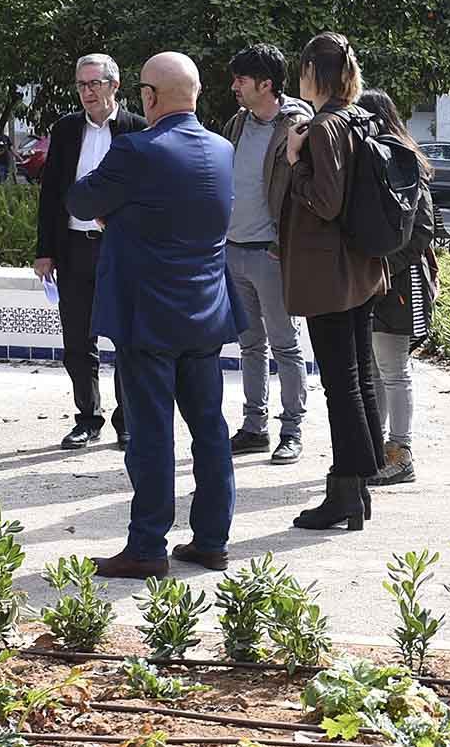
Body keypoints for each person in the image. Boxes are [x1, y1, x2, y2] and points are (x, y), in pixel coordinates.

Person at [67, 52, 242, 580]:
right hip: (205, 312)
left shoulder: (136, 149)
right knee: (209, 428)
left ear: (147, 97)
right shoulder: (222, 149)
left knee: (151, 435)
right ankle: (212, 540)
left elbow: (79, 200)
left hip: (147, 315)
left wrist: (115, 209)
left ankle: (147, 547)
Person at [268, 31, 388, 532]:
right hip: (361, 266)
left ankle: (346, 490)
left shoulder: (323, 127)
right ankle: (354, 491)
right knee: (358, 377)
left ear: (312, 74)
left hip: (329, 273)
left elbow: (324, 200)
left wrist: (296, 162)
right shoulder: (364, 117)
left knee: (342, 384)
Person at [35, 53, 146, 448]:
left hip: (120, 250)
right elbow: (50, 194)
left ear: (115, 86)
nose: (87, 92)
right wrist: (44, 250)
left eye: (95, 84)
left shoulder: (137, 128)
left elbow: (147, 194)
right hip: (73, 249)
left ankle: (127, 418)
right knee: (77, 340)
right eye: (82, 85)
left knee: (126, 339)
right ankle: (87, 417)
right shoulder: (66, 130)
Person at [222, 43, 312, 466]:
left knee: (285, 346)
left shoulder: (297, 125)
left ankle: (291, 429)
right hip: (234, 250)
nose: (234, 85)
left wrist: (285, 245)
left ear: (266, 84)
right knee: (249, 345)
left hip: (272, 255)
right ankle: (254, 427)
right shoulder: (237, 124)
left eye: (242, 79)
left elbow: (303, 191)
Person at [359, 88, 435, 488]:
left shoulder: (406, 165)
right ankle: (380, 448)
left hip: (400, 287)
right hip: (381, 283)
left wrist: (382, 266)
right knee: (375, 371)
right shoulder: (385, 163)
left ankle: (400, 452)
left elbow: (421, 231)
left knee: (392, 369)